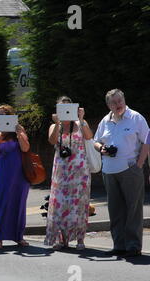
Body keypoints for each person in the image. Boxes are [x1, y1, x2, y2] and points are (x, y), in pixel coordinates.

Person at [94, 89, 149, 257]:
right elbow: (96, 141)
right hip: (109, 171)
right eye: (113, 102)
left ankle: (133, 246)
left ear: (124, 100)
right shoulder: (105, 120)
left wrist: (140, 164)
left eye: (120, 101)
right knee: (115, 209)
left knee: (133, 209)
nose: (118, 105)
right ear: (108, 105)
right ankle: (119, 244)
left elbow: (147, 141)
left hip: (130, 169)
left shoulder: (136, 118)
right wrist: (101, 148)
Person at [45, 96, 93, 250]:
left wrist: (81, 118)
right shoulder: (54, 126)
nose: (65, 112)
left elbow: (89, 136)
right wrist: (58, 123)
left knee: (79, 205)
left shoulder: (80, 124)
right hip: (61, 171)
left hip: (79, 171)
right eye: (61, 109)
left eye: (67, 108)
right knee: (60, 205)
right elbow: (52, 141)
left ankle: (80, 239)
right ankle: (61, 239)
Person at [0, 104, 30, 249]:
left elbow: (25, 148)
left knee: (19, 203)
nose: (0, 117)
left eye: (3, 115)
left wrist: (19, 133)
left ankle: (19, 236)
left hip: (20, 173)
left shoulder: (18, 130)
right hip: (4, 173)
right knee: (2, 203)